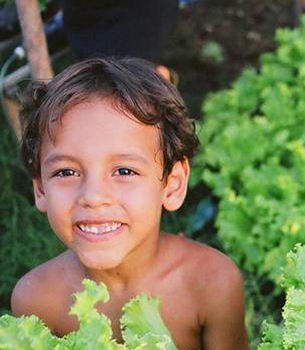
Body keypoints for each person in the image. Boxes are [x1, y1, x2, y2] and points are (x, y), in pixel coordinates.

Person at [9, 57, 249, 349]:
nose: (94, 196)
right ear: (40, 189)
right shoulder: (36, 299)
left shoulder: (213, 283)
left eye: (124, 171)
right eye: (67, 172)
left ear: (172, 184)